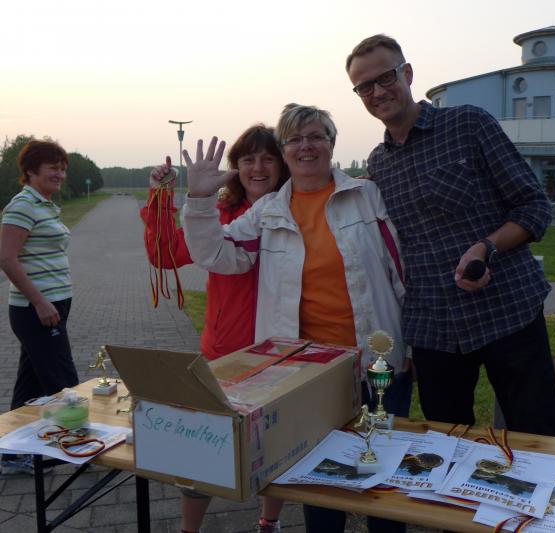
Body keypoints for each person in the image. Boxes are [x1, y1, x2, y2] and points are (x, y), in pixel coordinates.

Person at [182, 103, 410, 533]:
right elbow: (217, 255)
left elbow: (401, 273)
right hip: (306, 376)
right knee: (318, 485)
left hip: (376, 366)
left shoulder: (366, 196)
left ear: (331, 144)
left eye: (316, 136)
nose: (306, 146)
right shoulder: (269, 210)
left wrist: (410, 344)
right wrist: (199, 200)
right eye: (294, 139)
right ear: (285, 151)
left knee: (382, 481)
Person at [346, 35, 555, 437]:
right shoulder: (378, 164)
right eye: (364, 87)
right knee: (446, 444)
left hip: (507, 310)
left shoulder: (468, 124)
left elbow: (534, 206)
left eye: (385, 78)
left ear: (408, 73)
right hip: (434, 329)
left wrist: (486, 247)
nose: (377, 92)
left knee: (538, 435)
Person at [145, 124, 289, 533]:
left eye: (268, 158)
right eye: (248, 159)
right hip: (225, 352)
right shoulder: (219, 213)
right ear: (235, 168)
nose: (258, 168)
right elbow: (167, 255)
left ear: (282, 165)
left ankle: (269, 522)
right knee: (204, 450)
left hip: (282, 353)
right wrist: (162, 198)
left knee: (277, 446)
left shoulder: (297, 210)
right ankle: (189, 530)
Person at [0, 139, 79, 475]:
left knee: (29, 384)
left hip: (51, 306)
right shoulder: (23, 205)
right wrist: (40, 301)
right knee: (64, 382)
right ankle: (83, 449)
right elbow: (6, 258)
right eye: (53, 168)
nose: (59, 174)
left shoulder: (44, 204)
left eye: (62, 168)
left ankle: (11, 454)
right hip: (37, 310)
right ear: (31, 170)